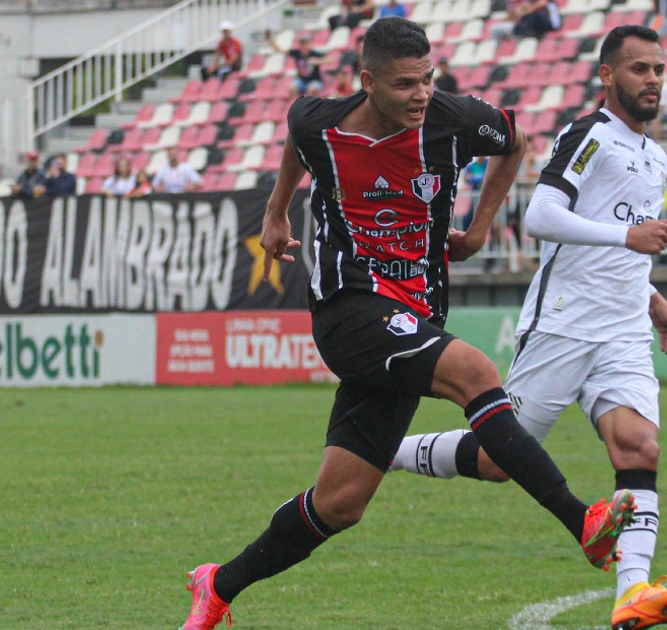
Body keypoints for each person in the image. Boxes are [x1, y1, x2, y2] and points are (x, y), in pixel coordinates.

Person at [177, 17, 635, 630]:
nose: (420, 95)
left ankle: (218, 584)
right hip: (349, 308)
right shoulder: (323, 122)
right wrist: (276, 210)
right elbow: (297, 136)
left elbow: (515, 143)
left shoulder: (452, 118)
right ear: (367, 81)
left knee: (340, 503)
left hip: (414, 312)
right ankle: (583, 522)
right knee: (474, 370)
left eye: (427, 79)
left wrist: (476, 230)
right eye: (404, 84)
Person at [386, 26, 667, 630]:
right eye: (639, 69)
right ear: (608, 76)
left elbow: (622, 243)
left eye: (659, 70)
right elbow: (541, 215)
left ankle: (633, 592)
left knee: (639, 447)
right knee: (497, 459)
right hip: (563, 324)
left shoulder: (654, 155)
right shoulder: (590, 135)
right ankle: (384, 452)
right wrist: (629, 238)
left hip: (620, 331)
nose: (653, 81)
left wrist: (652, 299)